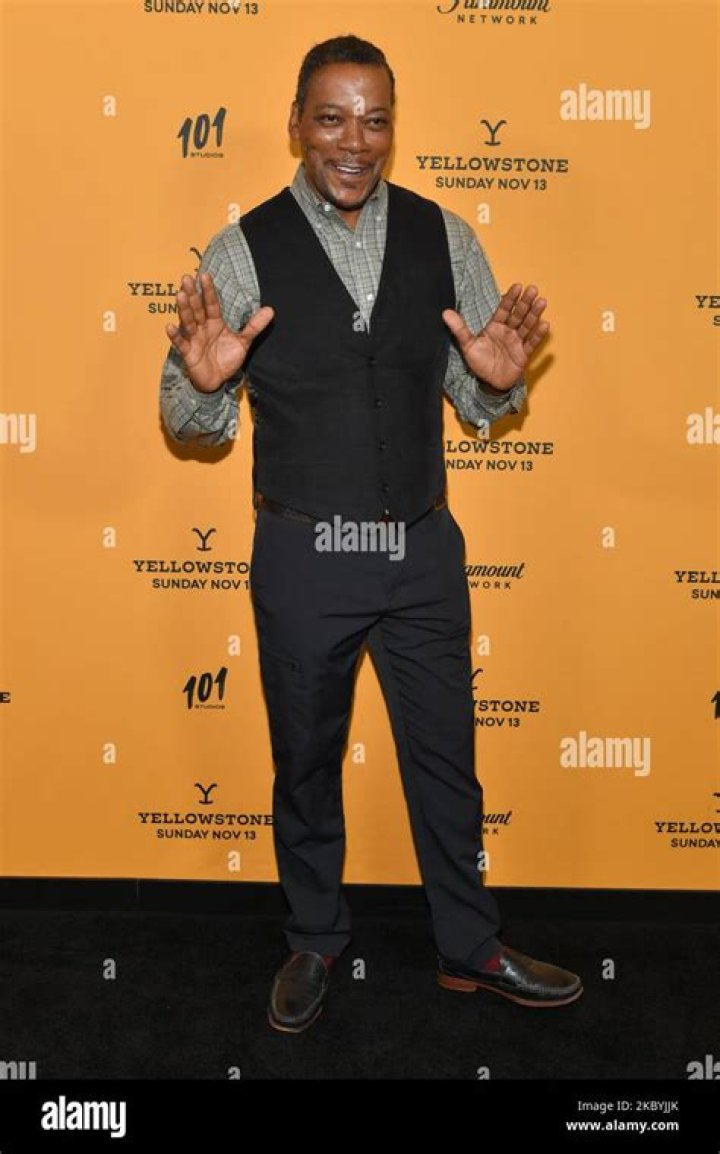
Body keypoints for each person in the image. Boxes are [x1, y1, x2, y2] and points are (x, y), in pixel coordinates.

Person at [159, 34, 583, 1033]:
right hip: (304, 554)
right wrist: (203, 386)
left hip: (422, 549)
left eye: (375, 119)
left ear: (393, 127)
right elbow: (186, 414)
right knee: (306, 759)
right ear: (297, 124)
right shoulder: (240, 249)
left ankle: (470, 946)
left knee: (448, 760)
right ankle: (314, 937)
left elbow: (481, 397)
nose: (355, 141)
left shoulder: (447, 237)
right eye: (332, 118)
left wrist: (496, 379)